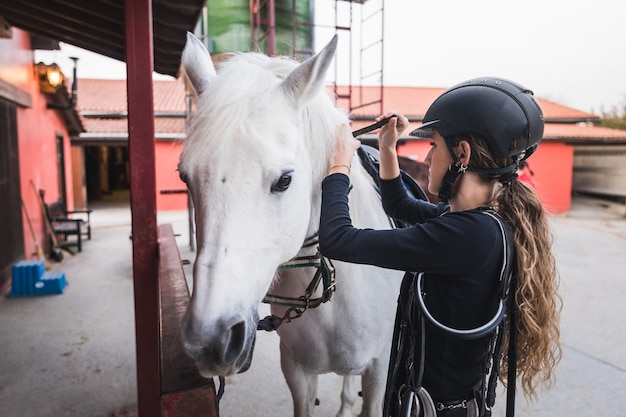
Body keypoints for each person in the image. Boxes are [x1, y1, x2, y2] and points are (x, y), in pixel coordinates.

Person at [319, 78, 562, 417]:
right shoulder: (481, 224)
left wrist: (338, 166)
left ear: (462, 154)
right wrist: (388, 148)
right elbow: (401, 207)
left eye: (434, 145)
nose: (428, 156)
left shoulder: (465, 236)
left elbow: (337, 239)